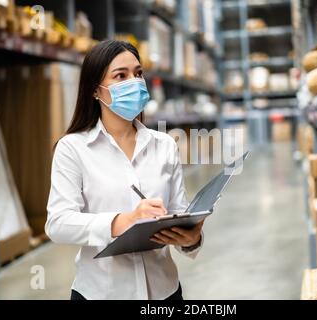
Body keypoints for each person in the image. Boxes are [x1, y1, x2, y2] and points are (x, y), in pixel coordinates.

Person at [45, 40, 204, 300]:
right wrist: (123, 221)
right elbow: (58, 223)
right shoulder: (72, 149)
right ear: (96, 90)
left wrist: (191, 239)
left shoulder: (164, 145)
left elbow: (178, 212)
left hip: (165, 292)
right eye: (121, 75)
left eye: (138, 73)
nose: (135, 82)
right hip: (101, 293)